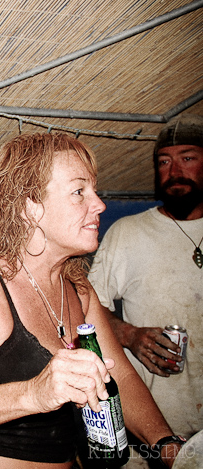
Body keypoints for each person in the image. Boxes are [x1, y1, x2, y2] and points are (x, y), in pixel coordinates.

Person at [0, 133, 184, 469]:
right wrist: (35, 394)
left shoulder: (79, 290)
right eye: (79, 192)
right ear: (31, 206)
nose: (99, 204)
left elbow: (122, 379)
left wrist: (166, 444)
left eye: (95, 191)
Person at [88, 115, 202, 446]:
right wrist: (130, 335)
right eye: (164, 162)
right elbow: (86, 310)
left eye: (188, 158)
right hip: (153, 432)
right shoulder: (129, 232)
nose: (174, 171)